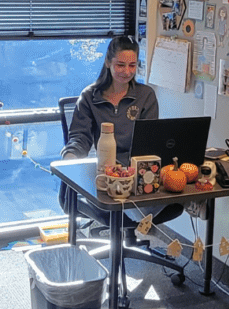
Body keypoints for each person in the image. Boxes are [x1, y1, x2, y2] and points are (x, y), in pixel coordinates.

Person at [61, 36, 183, 228]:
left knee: (177, 191)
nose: (126, 72)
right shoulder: (89, 97)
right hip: (105, 174)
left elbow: (150, 143)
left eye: (132, 65)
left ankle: (192, 202)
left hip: (137, 174)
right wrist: (69, 159)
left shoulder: (146, 96)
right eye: (120, 65)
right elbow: (80, 138)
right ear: (108, 62)